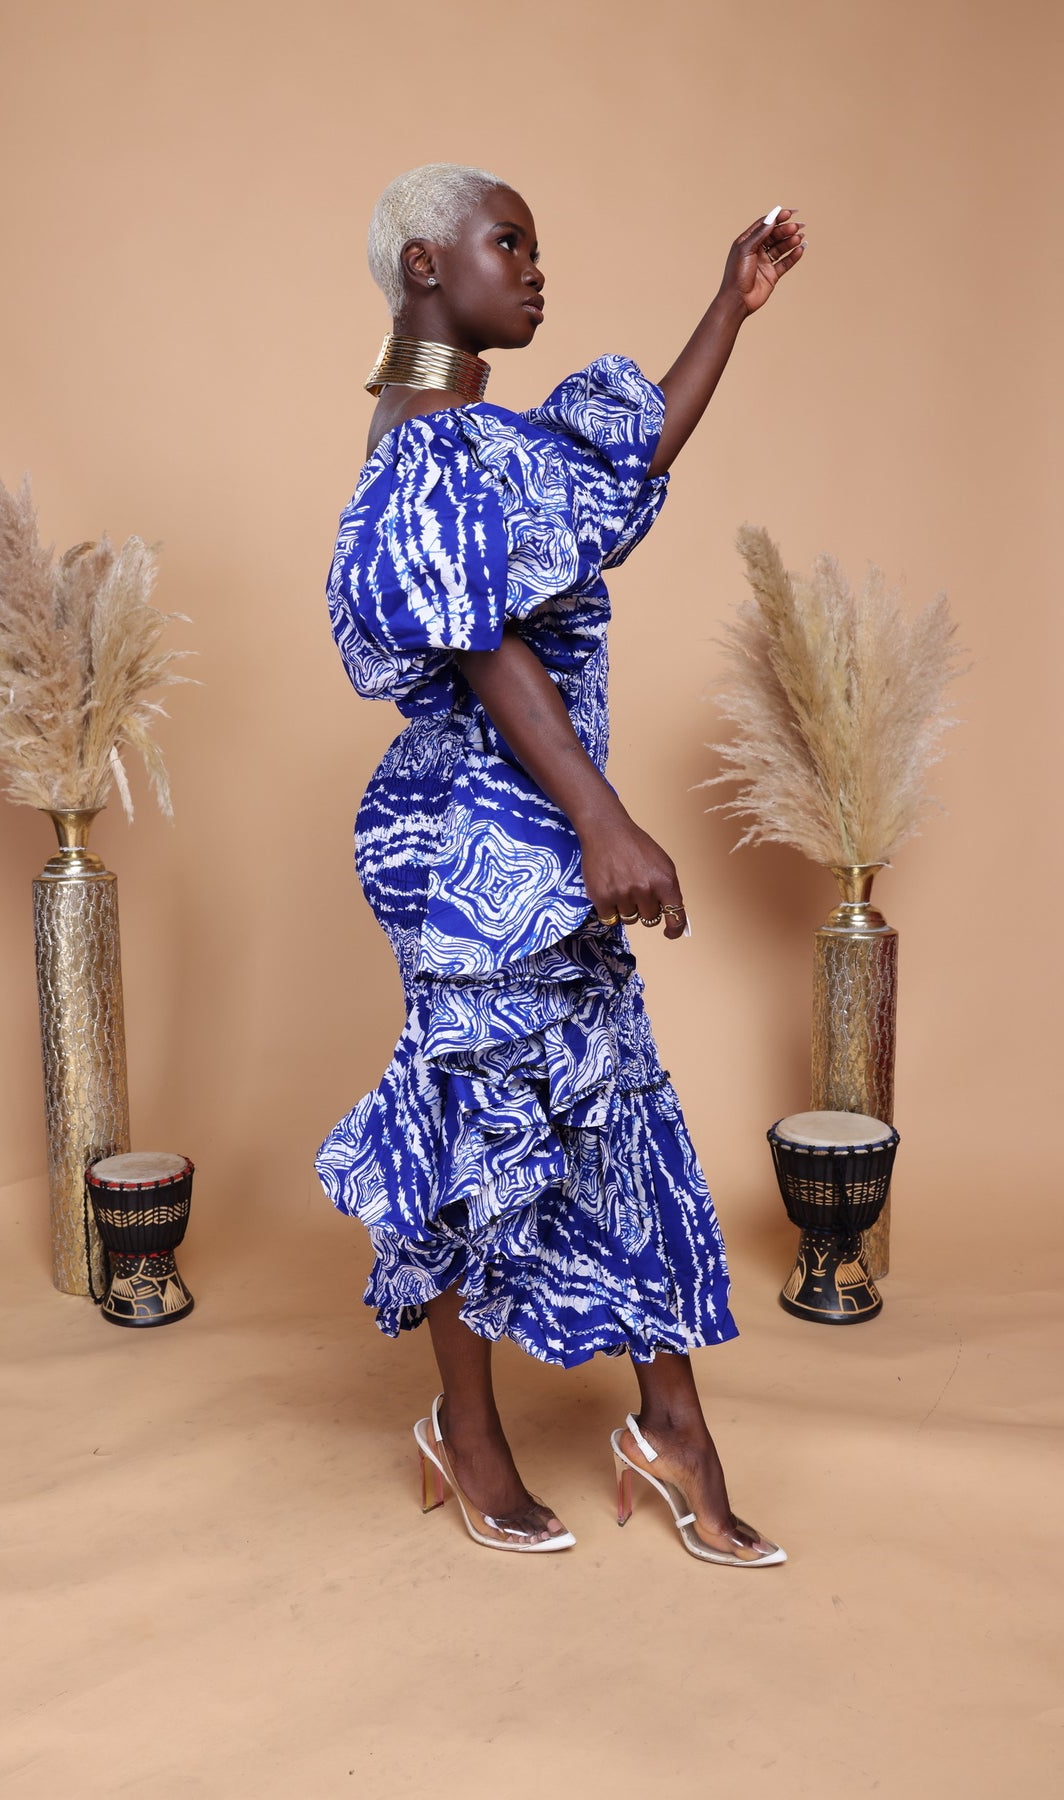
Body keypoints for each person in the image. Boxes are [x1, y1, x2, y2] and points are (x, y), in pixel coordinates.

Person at [316, 162, 805, 1563]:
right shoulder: (421, 444)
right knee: (477, 1127)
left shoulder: (487, 439)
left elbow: (623, 460)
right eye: (508, 242)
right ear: (426, 264)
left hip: (541, 822)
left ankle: (675, 1427)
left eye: (535, 246)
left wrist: (730, 304)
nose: (535, 268)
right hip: (469, 837)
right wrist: (605, 819)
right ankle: (467, 1432)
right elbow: (483, 642)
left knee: (617, 1107)